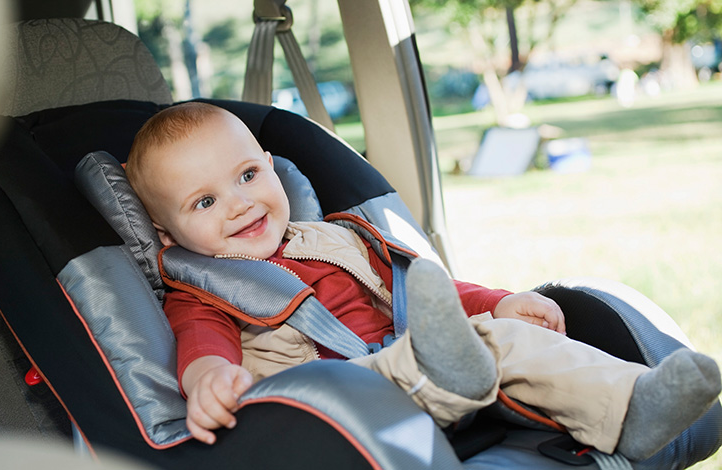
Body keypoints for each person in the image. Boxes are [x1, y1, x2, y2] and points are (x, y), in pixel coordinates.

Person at [126, 102, 720, 460]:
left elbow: (424, 292)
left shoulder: (339, 237)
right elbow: (202, 346)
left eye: (248, 175)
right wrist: (209, 378)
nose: (239, 204)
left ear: (272, 167)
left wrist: (497, 303)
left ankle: (637, 405)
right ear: (167, 233)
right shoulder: (200, 291)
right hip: (334, 400)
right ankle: (448, 369)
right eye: (204, 201)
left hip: (423, 351)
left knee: (508, 340)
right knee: (410, 363)